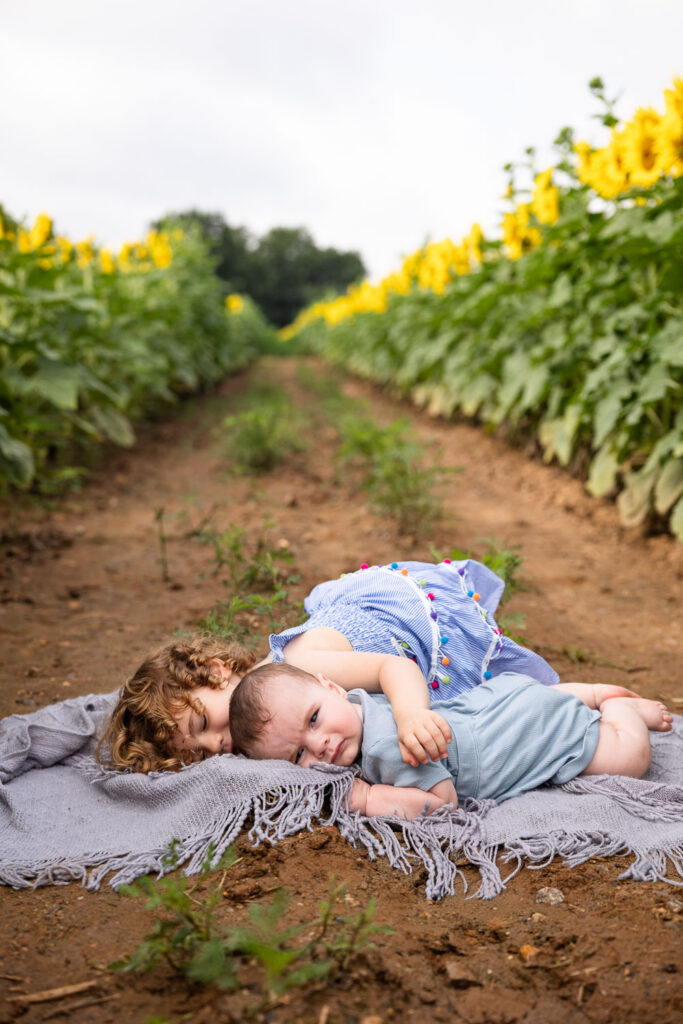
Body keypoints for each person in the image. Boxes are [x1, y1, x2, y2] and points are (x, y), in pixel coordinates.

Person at [99, 557, 619, 773]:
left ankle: (588, 695)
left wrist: (413, 716)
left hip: (409, 642)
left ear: (216, 671)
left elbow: (395, 671)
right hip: (383, 656)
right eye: (203, 753)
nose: (220, 744)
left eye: (205, 724)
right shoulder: (274, 724)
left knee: (489, 711)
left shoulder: (299, 665)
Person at [228, 663, 674, 820]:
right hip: (502, 700)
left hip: (527, 736)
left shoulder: (384, 749)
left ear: (330, 687)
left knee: (628, 759)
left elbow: (442, 803)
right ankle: (589, 693)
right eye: (298, 755)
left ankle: (619, 712)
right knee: (533, 701)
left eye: (314, 719)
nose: (321, 745)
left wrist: (366, 799)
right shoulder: (362, 704)